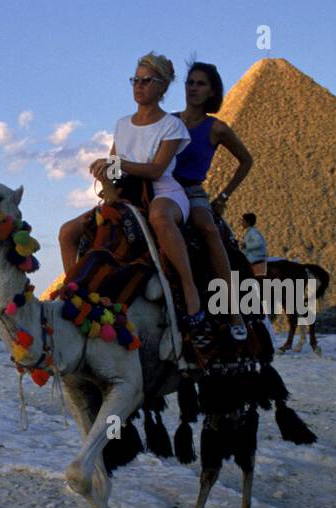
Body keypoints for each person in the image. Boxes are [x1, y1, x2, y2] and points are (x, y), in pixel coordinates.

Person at [59, 52, 205, 331]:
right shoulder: (123, 124)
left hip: (162, 191)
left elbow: (156, 169)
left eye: (146, 80)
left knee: (160, 218)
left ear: (162, 86)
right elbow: (115, 170)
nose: (138, 86)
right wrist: (104, 175)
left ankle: (189, 289)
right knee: (68, 232)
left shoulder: (172, 125)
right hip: (127, 194)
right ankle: (76, 295)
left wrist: (117, 163)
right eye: (135, 80)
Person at [174, 60, 254, 340]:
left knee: (209, 231)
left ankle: (233, 309)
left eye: (200, 83)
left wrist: (224, 196)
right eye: (189, 82)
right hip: (161, 190)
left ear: (211, 92)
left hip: (192, 192)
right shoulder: (167, 122)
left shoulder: (216, 128)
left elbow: (246, 161)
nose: (193, 88)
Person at [241, 212, 268, 277]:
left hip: (254, 257)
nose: (242, 223)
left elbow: (259, 243)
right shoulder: (250, 232)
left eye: (243, 221)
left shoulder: (253, 232)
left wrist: (246, 245)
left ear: (248, 222)